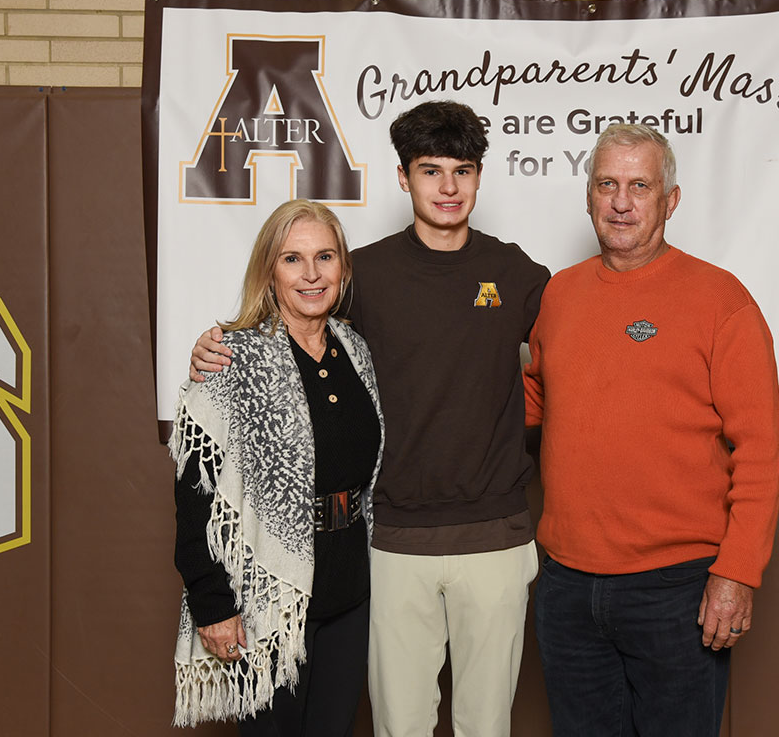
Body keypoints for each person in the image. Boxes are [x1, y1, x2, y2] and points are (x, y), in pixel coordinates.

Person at [190, 101, 550, 737]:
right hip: (391, 542)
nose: (447, 187)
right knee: (398, 726)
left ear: (478, 177)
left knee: (487, 725)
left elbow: (576, 360)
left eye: (462, 171)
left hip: (495, 534)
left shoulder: (515, 273)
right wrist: (214, 347)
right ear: (403, 177)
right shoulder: (361, 275)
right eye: (430, 170)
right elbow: (290, 330)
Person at [523, 123, 779, 736]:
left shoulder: (721, 300)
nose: (621, 202)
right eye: (607, 185)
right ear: (588, 196)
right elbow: (534, 401)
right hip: (567, 585)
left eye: (640, 186)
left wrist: (737, 572)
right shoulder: (560, 294)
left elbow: (764, 448)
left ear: (671, 200)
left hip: (677, 589)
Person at [170, 199, 384, 736]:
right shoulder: (232, 359)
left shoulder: (355, 350)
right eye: (293, 259)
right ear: (270, 272)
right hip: (266, 598)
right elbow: (195, 495)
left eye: (325, 257)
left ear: (343, 269)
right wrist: (212, 603)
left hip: (349, 592)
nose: (311, 274)